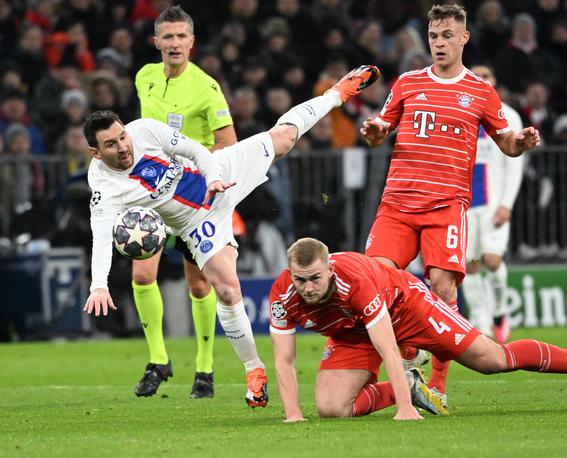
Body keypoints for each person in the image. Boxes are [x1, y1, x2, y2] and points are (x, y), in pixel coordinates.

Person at [82, 64, 381, 407]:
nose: (123, 145)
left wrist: (211, 176)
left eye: (121, 136)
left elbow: (195, 151)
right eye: (111, 144)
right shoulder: (104, 188)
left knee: (283, 137)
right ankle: (254, 372)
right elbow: (101, 236)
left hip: (218, 174)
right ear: (95, 152)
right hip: (196, 223)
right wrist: (99, 285)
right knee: (225, 288)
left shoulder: (144, 130)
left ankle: (337, 93)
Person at [359, 3, 540, 404]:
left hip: (446, 208)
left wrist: (521, 143)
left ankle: (437, 386)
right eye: (433, 36)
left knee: (442, 289)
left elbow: (505, 143)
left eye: (446, 36)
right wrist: (373, 132)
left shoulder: (480, 91)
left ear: (464, 38)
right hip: (398, 205)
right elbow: (380, 132)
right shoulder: (407, 82)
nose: (439, 43)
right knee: (377, 285)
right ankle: (407, 360)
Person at [269, 238, 567, 422]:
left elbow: (387, 348)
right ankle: (410, 388)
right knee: (332, 408)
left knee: (493, 360)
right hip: (352, 332)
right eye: (301, 280)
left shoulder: (356, 280)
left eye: (315, 278)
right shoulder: (284, 295)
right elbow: (284, 361)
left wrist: (405, 413)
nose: (308, 287)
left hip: (408, 308)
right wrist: (293, 416)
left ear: (330, 268)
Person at [128, 6, 238, 399]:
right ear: (156, 41)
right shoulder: (144, 78)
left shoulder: (206, 88)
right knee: (142, 276)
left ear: (192, 42)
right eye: (167, 37)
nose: (174, 44)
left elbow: (228, 143)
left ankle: (205, 369)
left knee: (199, 284)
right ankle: (158, 360)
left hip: (192, 197)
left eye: (181, 37)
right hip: (152, 193)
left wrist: (189, 159)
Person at [462, 64, 525, 344]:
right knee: (471, 264)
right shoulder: (462, 111)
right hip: (465, 208)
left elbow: (515, 166)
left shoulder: (508, 116)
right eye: (477, 77)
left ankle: (500, 312)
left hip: (493, 207)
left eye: (486, 76)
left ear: (494, 79)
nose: (482, 81)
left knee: (492, 259)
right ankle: (481, 324)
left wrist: (507, 204)